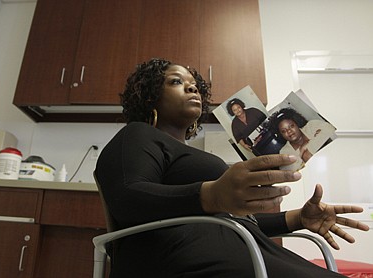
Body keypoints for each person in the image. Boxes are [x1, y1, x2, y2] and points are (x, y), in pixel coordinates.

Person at [95, 58, 369, 277]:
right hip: (185, 260)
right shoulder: (137, 135)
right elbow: (127, 197)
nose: (192, 88)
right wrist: (211, 194)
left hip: (240, 249)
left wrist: (298, 219)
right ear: (149, 96)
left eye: (194, 85)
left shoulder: (191, 154)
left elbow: (225, 221)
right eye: (176, 82)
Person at [268, 108, 336, 171]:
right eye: (284, 131)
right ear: (280, 134)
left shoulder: (311, 126)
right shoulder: (284, 152)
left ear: (297, 124)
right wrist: (302, 154)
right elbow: (291, 171)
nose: (289, 131)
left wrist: (306, 149)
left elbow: (330, 128)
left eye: (291, 126)